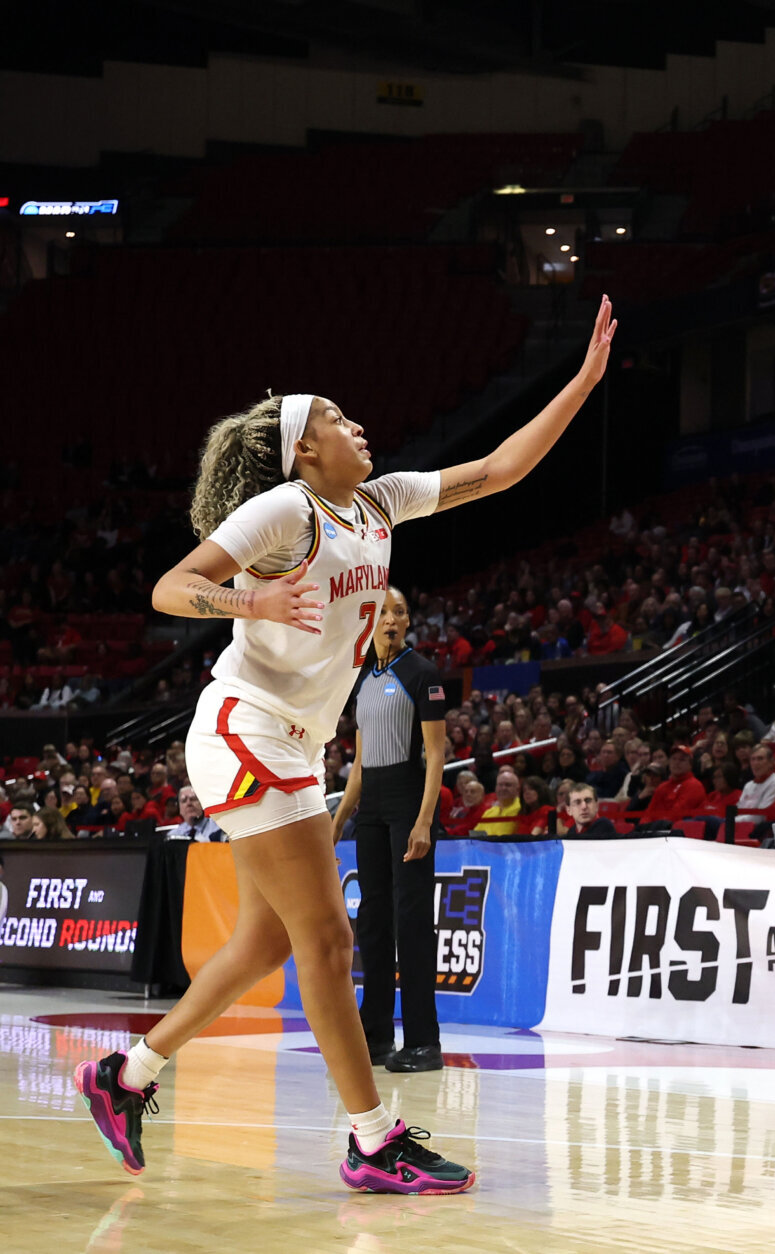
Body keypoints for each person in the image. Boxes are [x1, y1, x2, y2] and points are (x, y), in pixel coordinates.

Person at [74, 293, 617, 1193]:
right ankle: (372, 1139)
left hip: (292, 743)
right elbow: (171, 587)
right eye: (333, 416)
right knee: (329, 940)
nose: (354, 423)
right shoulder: (284, 512)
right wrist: (248, 598)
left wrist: (586, 380)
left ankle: (125, 1076)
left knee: (266, 945)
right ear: (302, 449)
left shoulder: (379, 501)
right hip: (247, 729)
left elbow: (501, 469)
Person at [328, 585, 448, 1072]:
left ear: (408, 621)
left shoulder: (422, 674)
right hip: (372, 808)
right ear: (369, 622)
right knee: (374, 922)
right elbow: (358, 765)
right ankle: (375, 1036)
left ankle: (423, 1041)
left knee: (412, 922)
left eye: (400, 611)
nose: (392, 619)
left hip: (407, 800)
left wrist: (424, 821)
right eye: (383, 612)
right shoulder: (363, 679)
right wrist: (339, 820)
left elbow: (436, 755)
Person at [737, 743, 775, 812]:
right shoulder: (748, 785)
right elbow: (737, 810)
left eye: (760, 759)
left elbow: (761, 814)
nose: (755, 763)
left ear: (771, 762)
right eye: (753, 759)